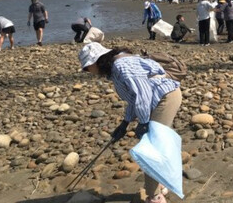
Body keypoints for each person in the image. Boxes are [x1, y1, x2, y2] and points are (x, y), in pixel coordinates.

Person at [78, 42, 181, 203]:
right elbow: (134, 99)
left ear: (97, 61)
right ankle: (161, 183)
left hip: (165, 99)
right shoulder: (115, 68)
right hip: (159, 98)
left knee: (150, 149)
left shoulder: (121, 66)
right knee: (156, 146)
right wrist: (125, 123)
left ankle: (155, 197)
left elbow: (143, 95)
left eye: (87, 67)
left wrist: (144, 123)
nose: (87, 71)